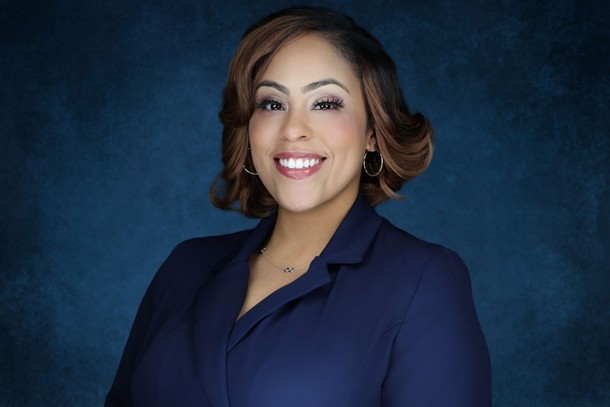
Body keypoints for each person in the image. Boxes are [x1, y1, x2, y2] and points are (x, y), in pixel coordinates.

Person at [105, 6, 491, 406]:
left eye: (325, 103)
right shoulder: (184, 266)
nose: (292, 129)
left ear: (373, 133)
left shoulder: (424, 280)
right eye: (272, 103)